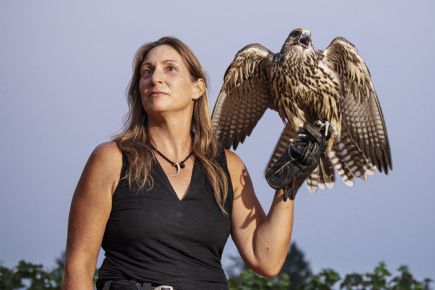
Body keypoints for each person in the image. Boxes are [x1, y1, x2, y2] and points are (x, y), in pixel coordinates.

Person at [62, 36, 327, 290]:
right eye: (147, 71)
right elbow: (77, 270)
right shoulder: (111, 160)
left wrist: (290, 182)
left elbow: (266, 259)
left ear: (197, 88)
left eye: (170, 69)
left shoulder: (228, 167)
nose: (156, 78)